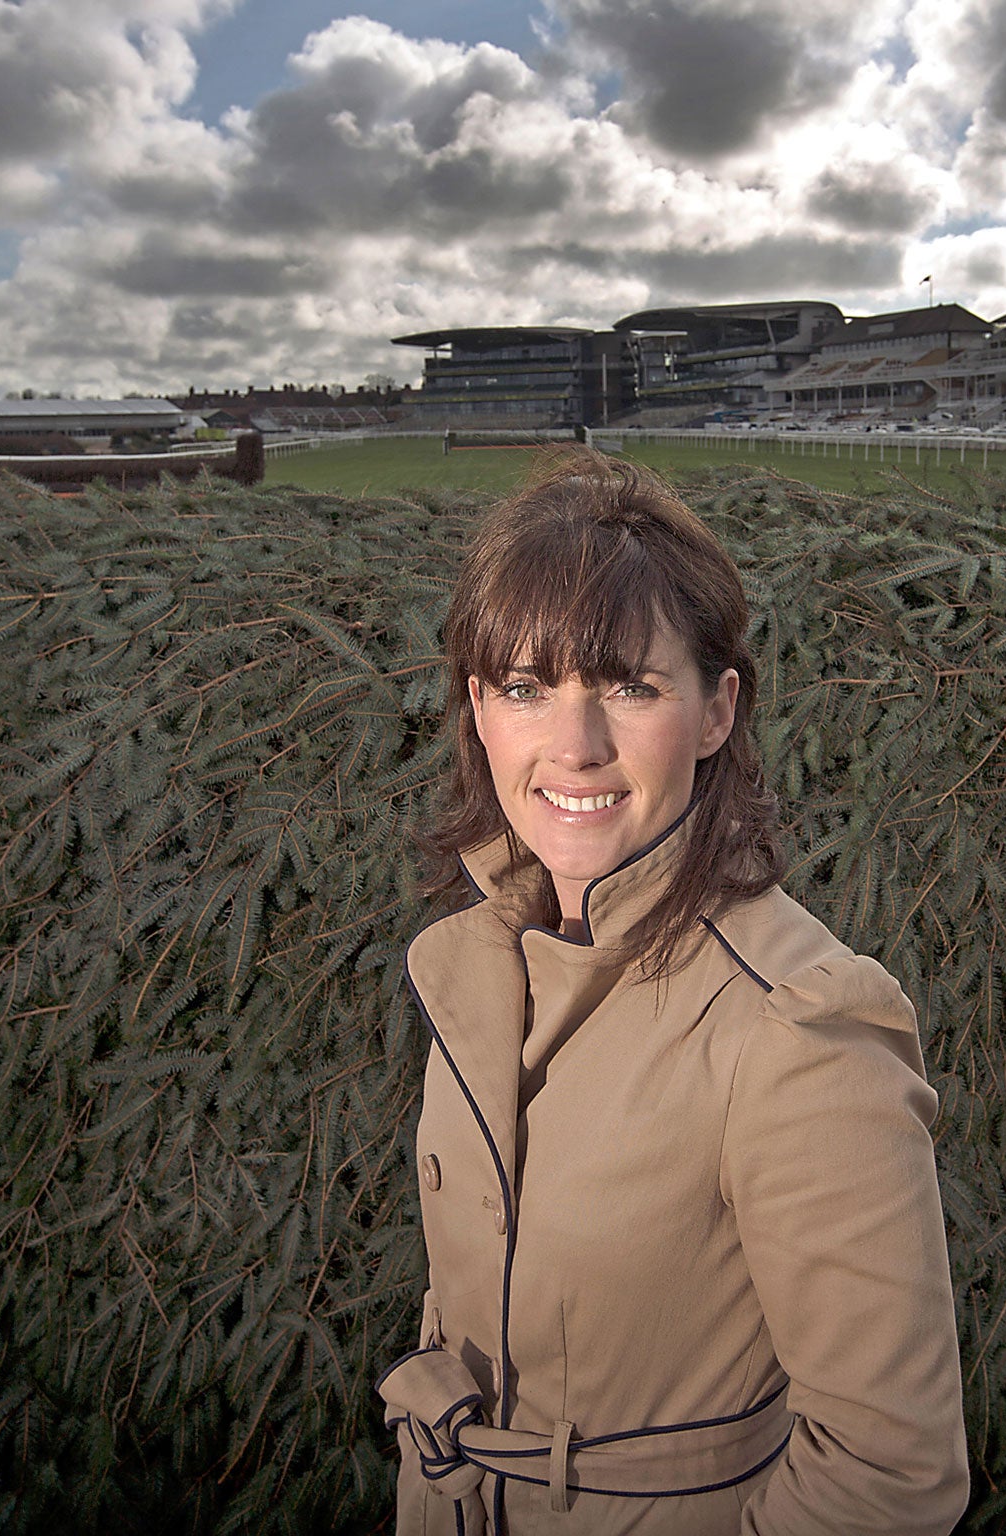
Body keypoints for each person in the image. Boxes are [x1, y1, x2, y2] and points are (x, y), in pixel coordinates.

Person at [377, 452, 968, 1533]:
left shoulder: (798, 1024)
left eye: (628, 686)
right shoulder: (482, 961)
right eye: (525, 687)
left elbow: (887, 1477)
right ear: (477, 709)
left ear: (713, 711)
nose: (574, 745)